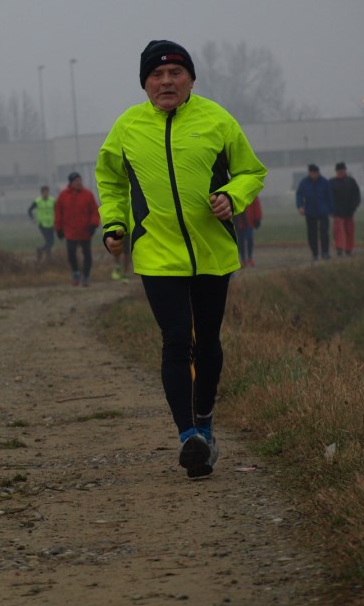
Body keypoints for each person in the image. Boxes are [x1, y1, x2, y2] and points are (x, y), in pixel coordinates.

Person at [96, 39, 266, 479]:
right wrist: (114, 224)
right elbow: (111, 183)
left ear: (191, 79)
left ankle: (205, 425)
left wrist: (232, 196)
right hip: (157, 252)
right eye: (157, 75)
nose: (166, 81)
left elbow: (251, 171)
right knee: (175, 339)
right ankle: (188, 436)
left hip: (212, 251)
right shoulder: (127, 127)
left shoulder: (217, 120)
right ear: (145, 83)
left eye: (176, 73)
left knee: (207, 341)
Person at [54, 172, 99, 286]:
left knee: (87, 254)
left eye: (80, 180)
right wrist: (58, 228)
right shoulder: (63, 195)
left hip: (85, 230)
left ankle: (86, 276)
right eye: (76, 181)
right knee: (71, 253)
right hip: (70, 231)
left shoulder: (88, 194)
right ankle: (75, 272)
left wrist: (93, 224)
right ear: (71, 182)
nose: (79, 183)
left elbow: (94, 211)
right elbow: (58, 213)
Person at [295, 164, 334, 261]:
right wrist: (300, 206)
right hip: (310, 211)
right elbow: (299, 194)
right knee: (312, 234)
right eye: (312, 173)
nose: (313, 175)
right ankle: (315, 253)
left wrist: (331, 210)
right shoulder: (304, 182)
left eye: (315, 173)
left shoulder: (324, 182)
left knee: (324, 232)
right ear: (309, 173)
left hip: (323, 211)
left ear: (318, 172)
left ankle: (325, 252)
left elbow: (330, 196)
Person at [329, 162, 361, 256]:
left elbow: (356, 195)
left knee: (349, 230)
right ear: (336, 171)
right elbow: (327, 196)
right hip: (336, 211)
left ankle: (348, 248)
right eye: (339, 170)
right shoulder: (331, 182)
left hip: (349, 210)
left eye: (342, 170)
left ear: (345, 170)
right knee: (337, 231)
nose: (340, 172)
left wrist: (354, 206)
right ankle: (339, 247)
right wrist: (330, 209)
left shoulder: (351, 181)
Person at [27, 185, 56, 262]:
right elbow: (29, 210)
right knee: (49, 241)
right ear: (41, 193)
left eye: (47, 192)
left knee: (51, 242)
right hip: (42, 224)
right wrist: (32, 218)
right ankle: (46, 254)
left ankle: (43, 252)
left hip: (51, 224)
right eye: (44, 192)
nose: (46, 194)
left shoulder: (53, 200)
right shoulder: (37, 201)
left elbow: (58, 210)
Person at [234, 194, 263, 267]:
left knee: (249, 239)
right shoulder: (235, 193)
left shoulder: (252, 194)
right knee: (241, 241)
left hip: (248, 222)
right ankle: (243, 260)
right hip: (239, 222)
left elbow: (256, 205)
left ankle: (249, 259)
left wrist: (257, 218)